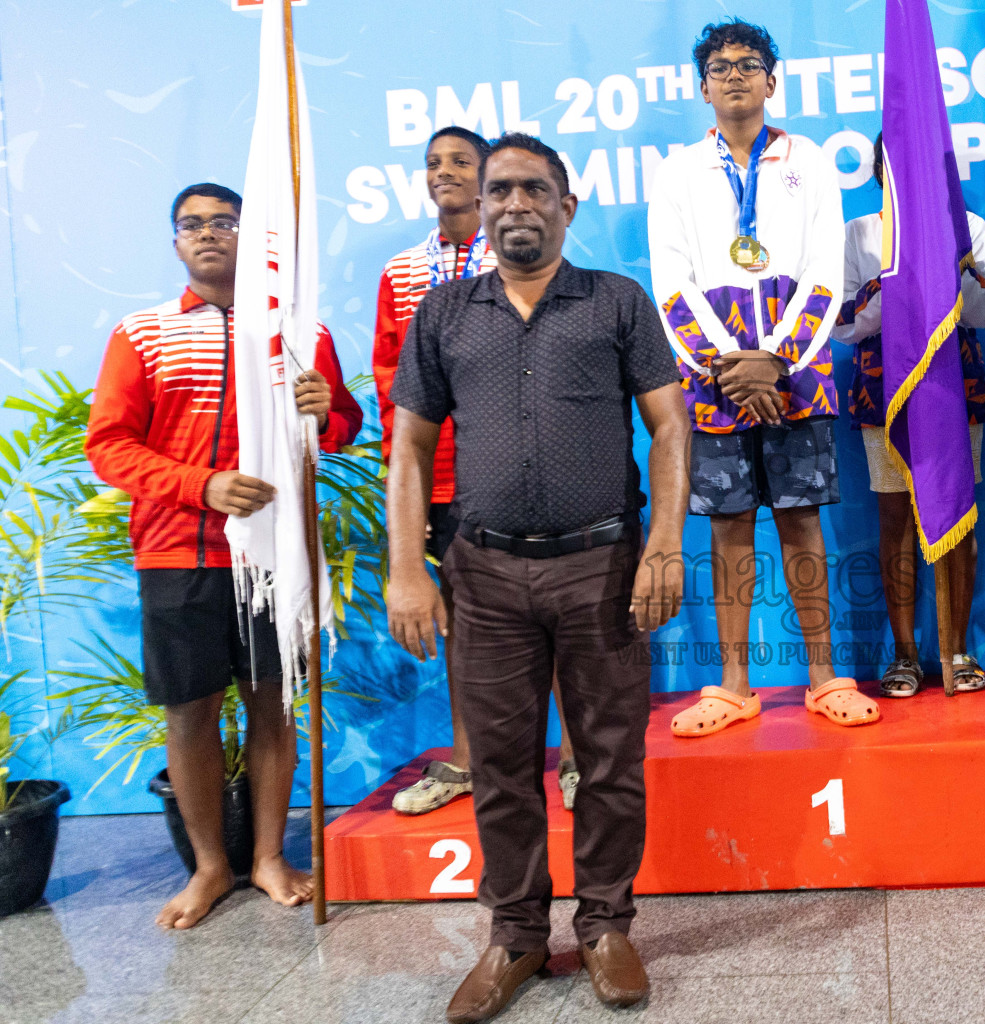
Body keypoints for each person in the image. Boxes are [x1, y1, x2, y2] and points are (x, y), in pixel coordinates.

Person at [386, 133, 688, 1019]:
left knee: (609, 761)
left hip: (601, 567)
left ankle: (604, 927)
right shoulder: (445, 314)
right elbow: (407, 445)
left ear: (567, 205)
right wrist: (408, 568)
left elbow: (671, 428)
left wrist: (663, 545)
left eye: (533, 189)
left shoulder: (618, 303)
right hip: (481, 575)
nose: (515, 203)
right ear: (479, 208)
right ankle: (515, 937)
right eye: (499, 190)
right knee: (504, 770)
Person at [85, 183, 363, 929]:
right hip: (176, 551)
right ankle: (210, 867)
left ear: (253, 235)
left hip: (274, 553)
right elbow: (108, 446)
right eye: (191, 224)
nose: (207, 234)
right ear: (175, 241)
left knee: (272, 701)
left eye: (223, 222)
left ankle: (269, 857)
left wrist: (324, 410)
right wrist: (198, 485)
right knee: (190, 710)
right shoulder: (142, 333)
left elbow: (340, 426)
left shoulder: (301, 330)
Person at [649, 18, 877, 736]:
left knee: (803, 520)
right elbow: (671, 280)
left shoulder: (806, 159)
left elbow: (821, 269)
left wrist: (777, 360)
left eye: (749, 64)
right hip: (714, 376)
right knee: (728, 526)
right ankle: (734, 684)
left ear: (772, 81)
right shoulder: (680, 171)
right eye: (720, 67)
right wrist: (728, 367)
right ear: (702, 87)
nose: (735, 75)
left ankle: (821, 676)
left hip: (796, 371)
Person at [374, 126, 581, 815]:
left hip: (512, 472)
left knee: (551, 616)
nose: (445, 173)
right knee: (468, 628)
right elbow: (391, 374)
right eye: (433, 163)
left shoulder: (519, 260)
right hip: (439, 481)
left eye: (460, 161)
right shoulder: (403, 273)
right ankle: (467, 760)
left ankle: (576, 758)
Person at [832, 132, 985, 696]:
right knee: (895, 519)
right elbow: (843, 324)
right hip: (884, 389)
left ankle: (957, 647)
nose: (907, 173)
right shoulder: (858, 233)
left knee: (957, 513)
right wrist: (901, 284)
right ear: (879, 169)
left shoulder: (968, 227)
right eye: (895, 162)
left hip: (954, 384)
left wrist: (945, 267)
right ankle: (905, 654)